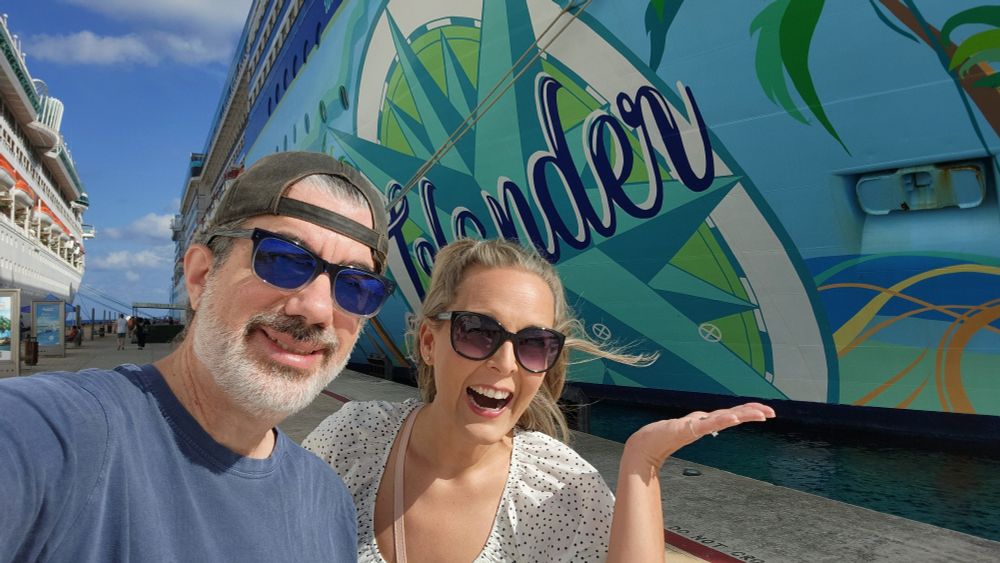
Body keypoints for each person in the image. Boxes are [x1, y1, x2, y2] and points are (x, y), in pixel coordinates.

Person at [0, 152, 396, 561]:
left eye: (356, 286)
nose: (316, 309)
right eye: (282, 259)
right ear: (201, 277)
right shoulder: (57, 435)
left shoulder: (329, 501)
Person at [304, 238, 774, 563]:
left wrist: (641, 464)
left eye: (533, 344)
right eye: (478, 331)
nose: (505, 363)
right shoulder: (357, 437)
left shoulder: (555, 486)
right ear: (429, 341)